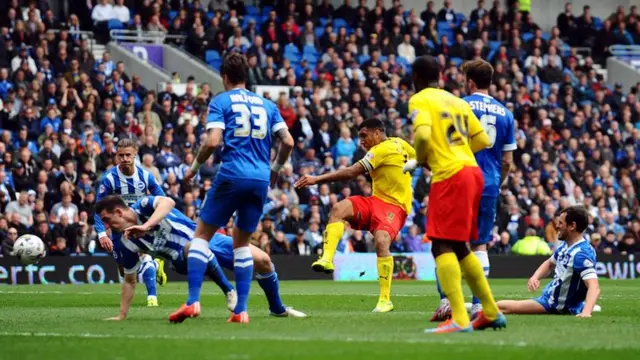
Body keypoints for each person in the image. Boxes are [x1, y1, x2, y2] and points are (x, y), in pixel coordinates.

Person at [178, 52, 294, 323]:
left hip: (231, 174)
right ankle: (241, 310)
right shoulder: (267, 105)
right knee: (242, 244)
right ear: (247, 76)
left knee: (201, 237)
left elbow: (212, 141)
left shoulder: (221, 101)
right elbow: (287, 142)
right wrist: (274, 170)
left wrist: (193, 169)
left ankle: (193, 301)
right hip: (260, 180)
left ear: (225, 77)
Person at [408, 55, 505, 333]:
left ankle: (461, 318)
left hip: (449, 175)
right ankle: (490, 311)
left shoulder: (420, 100)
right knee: (461, 246)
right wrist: (457, 153)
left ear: (416, 76)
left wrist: (422, 160)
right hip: (473, 172)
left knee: (440, 245)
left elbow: (424, 137)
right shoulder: (458, 101)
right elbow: (483, 140)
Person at [96, 195, 305, 321]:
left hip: (206, 236)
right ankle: (227, 291)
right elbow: (130, 280)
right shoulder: (126, 242)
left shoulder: (142, 205)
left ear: (119, 212)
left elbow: (167, 202)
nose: (107, 226)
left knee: (263, 260)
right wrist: (122, 315)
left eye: (107, 220)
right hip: (182, 258)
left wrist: (146, 225)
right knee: (193, 247)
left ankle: (277, 310)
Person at [295, 119, 416, 313]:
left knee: (381, 240)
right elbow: (418, 157)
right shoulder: (399, 143)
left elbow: (352, 172)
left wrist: (317, 179)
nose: (361, 141)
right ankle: (327, 258)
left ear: (377, 133)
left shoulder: (383, 149)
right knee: (339, 209)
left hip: (395, 207)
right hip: (376, 201)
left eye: (364, 135)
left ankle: (385, 300)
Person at [430, 59, 516, 321]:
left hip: (458, 179)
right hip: (488, 183)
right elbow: (508, 161)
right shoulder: (506, 113)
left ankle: (447, 301)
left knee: (444, 240)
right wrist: (496, 184)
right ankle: (479, 305)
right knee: (480, 245)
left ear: (469, 82)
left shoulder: (459, 105)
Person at [94, 139, 174, 307]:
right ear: (116, 156)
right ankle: (155, 263)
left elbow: (163, 199)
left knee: (144, 257)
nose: (124, 158)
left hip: (140, 225)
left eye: (128, 155)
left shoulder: (145, 176)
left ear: (135, 154)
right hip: (118, 229)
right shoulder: (109, 179)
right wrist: (102, 233)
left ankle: (152, 297)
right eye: (121, 155)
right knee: (124, 270)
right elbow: (98, 208)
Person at [497, 206, 601, 317]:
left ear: (572, 226)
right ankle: (578, 306)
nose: (557, 226)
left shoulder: (580, 254)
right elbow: (549, 263)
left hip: (553, 304)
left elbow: (594, 286)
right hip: (553, 297)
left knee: (500, 306)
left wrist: (586, 313)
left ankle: (580, 307)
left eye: (561, 223)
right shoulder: (566, 245)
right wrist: (535, 277)